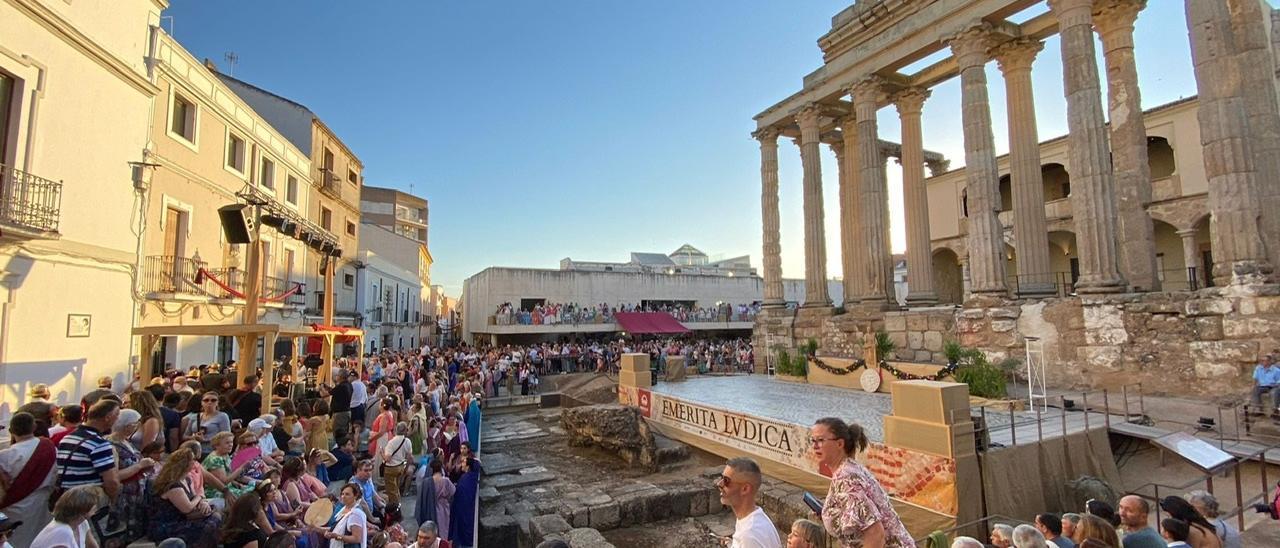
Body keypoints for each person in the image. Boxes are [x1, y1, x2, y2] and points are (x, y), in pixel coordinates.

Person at [809, 417, 913, 547]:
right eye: (812, 440)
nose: (814, 446)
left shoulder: (846, 479)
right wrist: (831, 515)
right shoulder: (850, 468)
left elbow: (875, 534)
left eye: (820, 440)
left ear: (840, 444)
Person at [0, 412, 55, 548]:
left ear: (11, 431)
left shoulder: (6, 456)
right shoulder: (49, 447)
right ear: (34, 427)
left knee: (14, 541)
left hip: (13, 507)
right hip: (41, 502)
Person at [147, 448, 221, 548]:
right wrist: (200, 497)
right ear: (185, 463)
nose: (195, 462)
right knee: (209, 525)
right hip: (168, 524)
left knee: (216, 516)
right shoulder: (172, 484)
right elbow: (187, 508)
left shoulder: (187, 478)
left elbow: (195, 497)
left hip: (182, 519)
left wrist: (203, 502)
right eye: (193, 460)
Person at [107, 408, 160, 541]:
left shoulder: (127, 442)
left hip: (136, 496)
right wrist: (140, 465)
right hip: (123, 497)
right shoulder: (111, 445)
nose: (137, 426)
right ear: (127, 426)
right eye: (135, 424)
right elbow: (114, 475)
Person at [56, 399, 122, 500]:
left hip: (66, 497)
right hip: (88, 501)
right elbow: (111, 481)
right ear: (108, 417)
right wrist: (111, 501)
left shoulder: (67, 438)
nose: (118, 419)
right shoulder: (99, 444)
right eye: (117, 414)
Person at [715, 457, 780, 548]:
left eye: (726, 481)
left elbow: (749, 539)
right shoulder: (755, 518)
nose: (719, 484)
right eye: (721, 478)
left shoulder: (749, 535)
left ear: (745, 489)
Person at [32, 485, 102, 548]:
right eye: (94, 504)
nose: (96, 506)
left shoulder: (82, 523)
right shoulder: (63, 532)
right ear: (83, 509)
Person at [417, 458, 455, 541]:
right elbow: (453, 492)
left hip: (430, 508)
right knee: (444, 529)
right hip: (444, 508)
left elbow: (421, 499)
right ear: (441, 468)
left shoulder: (426, 482)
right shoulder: (446, 481)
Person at [183, 391, 231, 457]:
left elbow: (227, 436)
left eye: (213, 400)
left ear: (217, 403)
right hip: (194, 453)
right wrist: (194, 437)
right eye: (206, 400)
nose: (209, 402)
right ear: (202, 403)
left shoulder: (222, 416)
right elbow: (185, 436)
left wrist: (205, 439)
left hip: (212, 452)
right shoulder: (195, 417)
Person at [448, 457, 482, 548]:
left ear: (468, 466)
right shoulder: (472, 476)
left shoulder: (465, 479)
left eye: (463, 463)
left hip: (462, 510)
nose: (461, 464)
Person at [323, 482, 368, 548]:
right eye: (342, 494)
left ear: (355, 496)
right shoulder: (342, 509)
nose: (343, 496)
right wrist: (315, 528)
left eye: (347, 494)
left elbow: (357, 538)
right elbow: (334, 528)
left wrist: (336, 536)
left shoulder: (355, 513)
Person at [382, 423, 414, 507]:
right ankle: (397, 503)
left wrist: (381, 453)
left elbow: (387, 459)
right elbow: (409, 457)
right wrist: (406, 469)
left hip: (391, 468)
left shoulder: (391, 442)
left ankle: (395, 507)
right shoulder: (407, 441)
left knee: (391, 490)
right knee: (396, 488)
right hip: (400, 466)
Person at [330, 371, 354, 446]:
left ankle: (340, 448)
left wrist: (321, 388)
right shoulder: (349, 385)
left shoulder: (341, 386)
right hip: (347, 411)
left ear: (340, 377)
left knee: (338, 432)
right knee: (344, 431)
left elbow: (327, 393)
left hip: (340, 413)